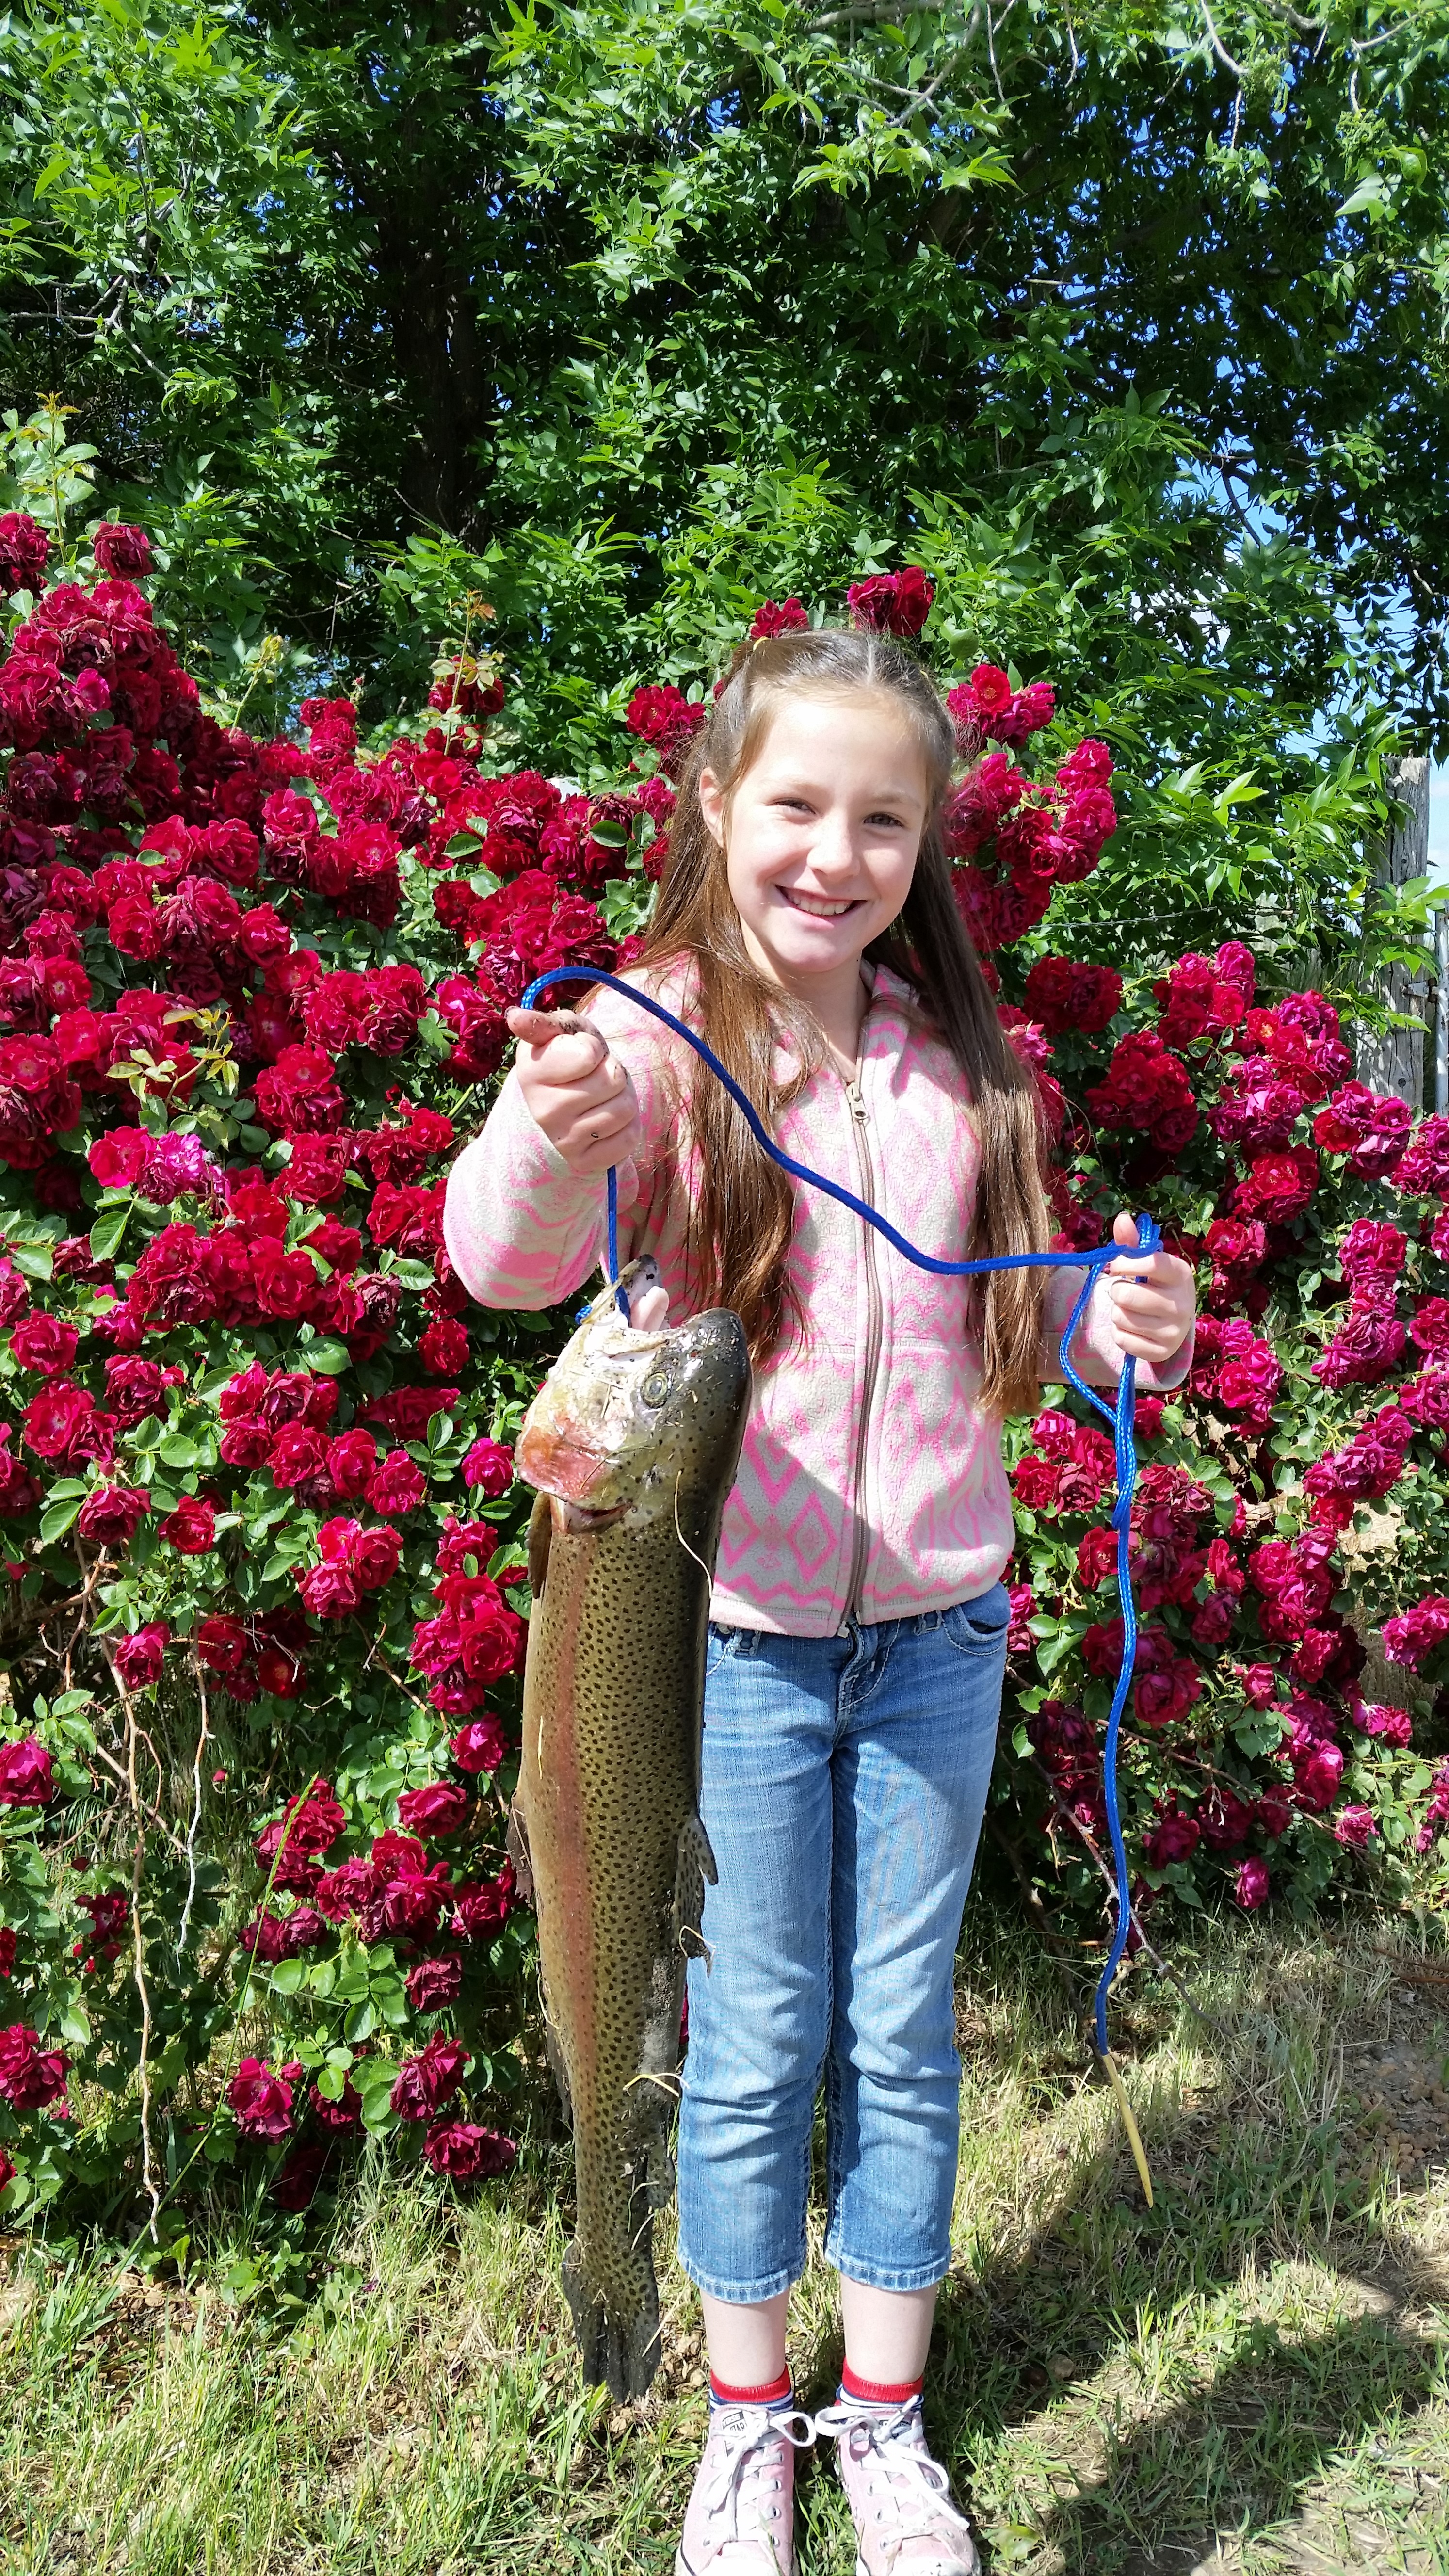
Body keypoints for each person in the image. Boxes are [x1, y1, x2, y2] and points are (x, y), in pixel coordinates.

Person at [443, 626, 1196, 2576]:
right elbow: (501, 1261)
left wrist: (1114, 1333)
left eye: (882, 816)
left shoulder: (953, 1069)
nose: (833, 850)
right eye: (794, 804)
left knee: (902, 2039)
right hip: (736, 1655)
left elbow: (1008, 1327)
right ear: (713, 804)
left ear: (926, 839)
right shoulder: (649, 1037)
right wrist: (551, 1128)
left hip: (941, 1635)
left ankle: (884, 2423)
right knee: (756, 2035)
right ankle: (744, 2421)